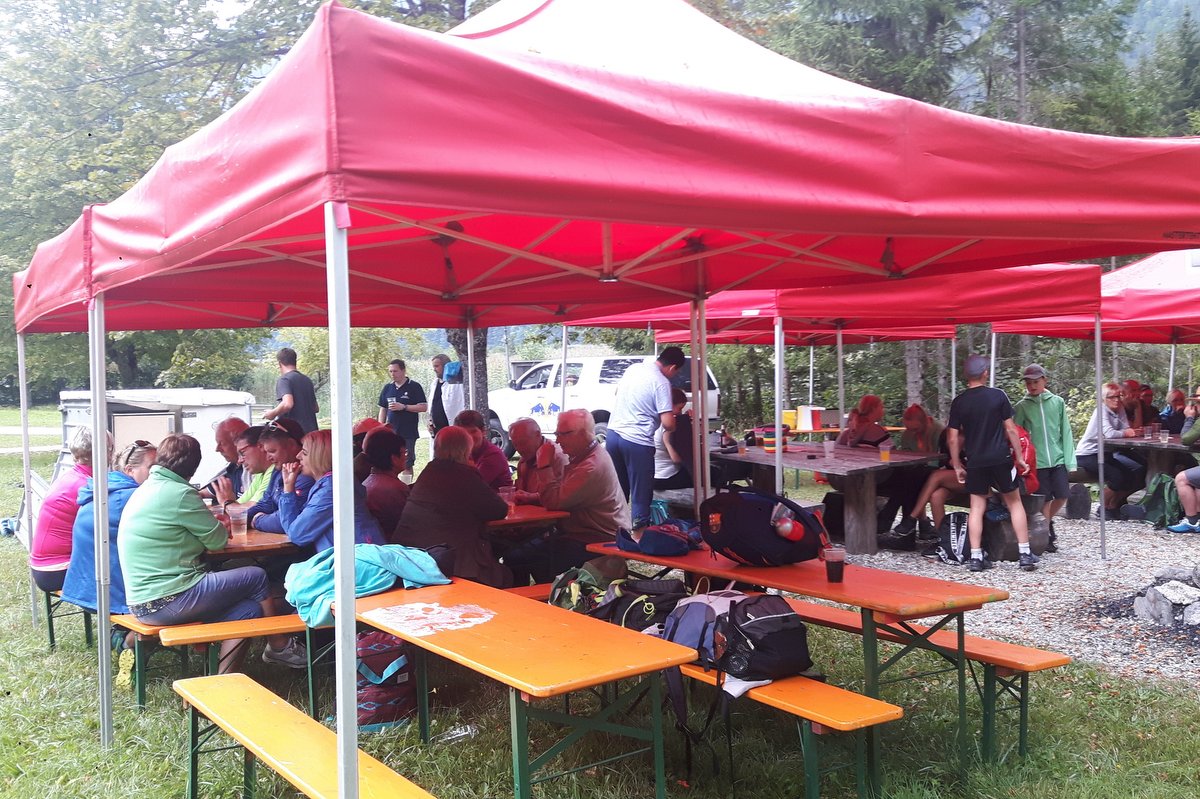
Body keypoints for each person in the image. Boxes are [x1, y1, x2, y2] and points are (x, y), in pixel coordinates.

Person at [117, 434, 277, 672]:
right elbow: (217, 541)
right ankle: (279, 645)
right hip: (169, 597)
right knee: (256, 576)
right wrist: (220, 526)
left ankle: (223, 679)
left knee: (248, 610)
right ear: (193, 468)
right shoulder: (180, 493)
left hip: (142, 601)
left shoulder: (147, 488)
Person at [505, 409, 632, 585]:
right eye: (556, 434)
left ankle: (548, 596)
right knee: (519, 553)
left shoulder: (590, 466)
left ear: (583, 434)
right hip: (581, 533)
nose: (557, 440)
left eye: (562, 434)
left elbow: (554, 501)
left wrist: (544, 466)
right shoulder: (583, 457)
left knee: (523, 557)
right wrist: (533, 498)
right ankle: (543, 594)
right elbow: (565, 496)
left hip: (599, 538)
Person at [946, 354, 1038, 572]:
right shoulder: (998, 396)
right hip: (1000, 458)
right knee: (1014, 502)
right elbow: (1011, 429)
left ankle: (976, 557)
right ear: (985, 373)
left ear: (966, 376)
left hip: (975, 460)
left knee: (977, 507)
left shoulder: (959, 402)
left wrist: (957, 465)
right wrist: (1020, 458)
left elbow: (953, 438)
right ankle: (1025, 554)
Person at [393, 426, 511, 588]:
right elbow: (499, 510)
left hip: (409, 560)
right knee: (506, 575)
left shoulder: (429, 471)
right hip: (449, 564)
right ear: (466, 451)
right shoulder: (465, 475)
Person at [62, 440, 158, 620]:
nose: (158, 472)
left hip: (84, 586)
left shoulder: (106, 486)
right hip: (110, 594)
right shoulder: (132, 496)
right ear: (130, 470)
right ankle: (128, 634)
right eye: (152, 467)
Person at [605, 347, 686, 532]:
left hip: (613, 434)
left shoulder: (634, 369)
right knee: (641, 493)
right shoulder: (661, 382)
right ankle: (639, 537)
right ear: (672, 367)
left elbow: (618, 393)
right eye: (676, 372)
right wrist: (676, 423)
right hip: (637, 441)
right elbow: (668, 423)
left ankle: (615, 532)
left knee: (620, 490)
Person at [277, 430, 384, 552]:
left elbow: (297, 534)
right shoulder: (331, 484)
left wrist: (288, 492)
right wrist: (288, 486)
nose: (298, 456)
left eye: (305, 453)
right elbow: (297, 526)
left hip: (357, 560)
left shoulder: (332, 490)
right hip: (354, 556)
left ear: (320, 458)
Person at [30, 427, 106, 593]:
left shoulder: (71, 476)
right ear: (105, 451)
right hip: (56, 570)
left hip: (44, 567)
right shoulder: (87, 486)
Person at [1012, 363, 1076, 552]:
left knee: (1062, 495)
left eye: (1036, 382)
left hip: (1057, 458)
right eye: (1028, 383)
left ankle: (1047, 524)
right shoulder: (1022, 407)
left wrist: (1070, 460)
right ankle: (1045, 536)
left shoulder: (1057, 402)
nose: (1032, 386)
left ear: (1044, 381)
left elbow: (1066, 431)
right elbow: (1017, 435)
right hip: (1037, 462)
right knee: (1045, 500)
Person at [1075, 382, 1146, 517]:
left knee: (1131, 475)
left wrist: (1127, 431)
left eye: (1118, 396)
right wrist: (1126, 433)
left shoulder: (1120, 409)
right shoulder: (1100, 411)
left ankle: (1112, 506)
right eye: (1111, 397)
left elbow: (1126, 427)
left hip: (1105, 453)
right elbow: (1109, 433)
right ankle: (1103, 508)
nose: (1116, 400)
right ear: (1104, 399)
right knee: (1116, 476)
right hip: (1087, 454)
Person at [881, 405, 942, 536]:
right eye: (909, 429)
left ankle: (890, 515)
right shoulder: (907, 434)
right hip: (914, 472)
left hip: (935, 471)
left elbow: (940, 459)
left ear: (924, 423)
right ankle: (920, 524)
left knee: (910, 480)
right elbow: (906, 456)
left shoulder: (938, 431)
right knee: (904, 477)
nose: (912, 432)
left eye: (915, 429)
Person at [247, 419, 315, 533]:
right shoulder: (278, 470)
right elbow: (266, 503)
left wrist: (258, 521)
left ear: (291, 444)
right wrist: (237, 520)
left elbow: (286, 519)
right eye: (266, 452)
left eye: (272, 451)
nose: (268, 458)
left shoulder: (308, 476)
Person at [377, 359, 426, 478]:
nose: (392, 374)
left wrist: (404, 407)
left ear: (403, 371)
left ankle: (406, 486)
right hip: (391, 432)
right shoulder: (388, 388)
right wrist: (380, 427)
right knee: (389, 462)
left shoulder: (414, 386)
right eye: (390, 371)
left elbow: (423, 407)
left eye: (395, 371)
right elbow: (383, 408)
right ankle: (392, 485)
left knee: (406, 463)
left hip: (408, 432)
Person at [361, 427, 410, 539]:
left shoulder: (365, 482)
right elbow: (409, 524)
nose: (406, 457)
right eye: (404, 453)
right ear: (394, 458)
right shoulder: (396, 489)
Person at [509, 417, 566, 503]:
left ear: (538, 435)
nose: (520, 449)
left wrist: (532, 498)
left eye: (523, 443)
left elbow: (561, 497)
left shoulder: (557, 457)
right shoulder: (524, 460)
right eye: (515, 445)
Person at [264, 347, 319, 434]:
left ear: (280, 363)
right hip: (312, 434)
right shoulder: (307, 380)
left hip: (295, 434)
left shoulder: (284, 380)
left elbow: (287, 404)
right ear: (295, 361)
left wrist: (272, 413)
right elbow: (315, 408)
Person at [214, 425, 273, 507]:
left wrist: (227, 502)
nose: (240, 460)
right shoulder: (261, 474)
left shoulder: (274, 471)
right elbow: (240, 504)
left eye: (242, 453)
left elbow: (250, 508)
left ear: (261, 446)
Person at [454, 408, 512, 490]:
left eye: (473, 431)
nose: (469, 437)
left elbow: (471, 487)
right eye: (464, 433)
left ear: (483, 431)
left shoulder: (493, 455)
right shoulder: (462, 453)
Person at [653, 388, 693, 491]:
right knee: (708, 474)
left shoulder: (653, 420)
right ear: (669, 405)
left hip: (653, 476)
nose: (680, 413)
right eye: (679, 409)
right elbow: (677, 459)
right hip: (666, 477)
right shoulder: (668, 426)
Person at [202, 417, 249, 501]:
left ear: (240, 442)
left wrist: (228, 503)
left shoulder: (256, 472)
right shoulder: (233, 468)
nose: (217, 449)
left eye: (222, 443)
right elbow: (205, 492)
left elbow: (253, 506)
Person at [428, 354, 452, 435]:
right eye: (433, 367)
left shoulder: (453, 384)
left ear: (446, 366)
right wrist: (430, 421)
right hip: (436, 429)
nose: (434, 369)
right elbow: (432, 405)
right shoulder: (434, 384)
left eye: (436, 366)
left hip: (450, 427)